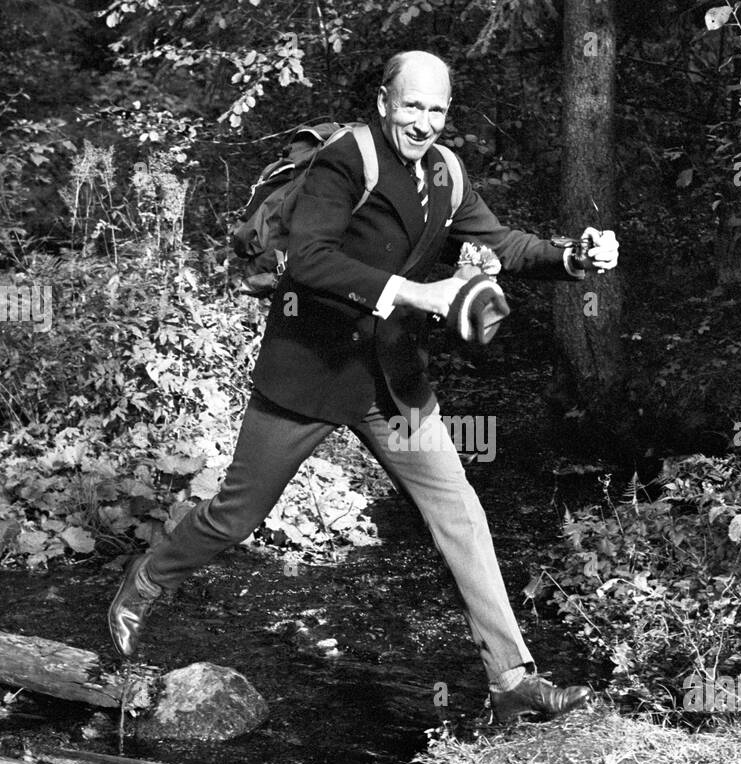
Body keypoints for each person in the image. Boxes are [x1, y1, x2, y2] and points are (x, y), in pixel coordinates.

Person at [109, 49, 620, 723]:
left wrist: (571, 257)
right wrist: (416, 292)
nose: (424, 121)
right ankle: (144, 582)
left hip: (393, 383)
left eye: (437, 109)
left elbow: (501, 241)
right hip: (309, 375)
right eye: (412, 106)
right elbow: (308, 258)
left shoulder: (445, 173)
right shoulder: (347, 160)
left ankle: (511, 679)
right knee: (236, 516)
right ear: (385, 102)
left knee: (459, 512)